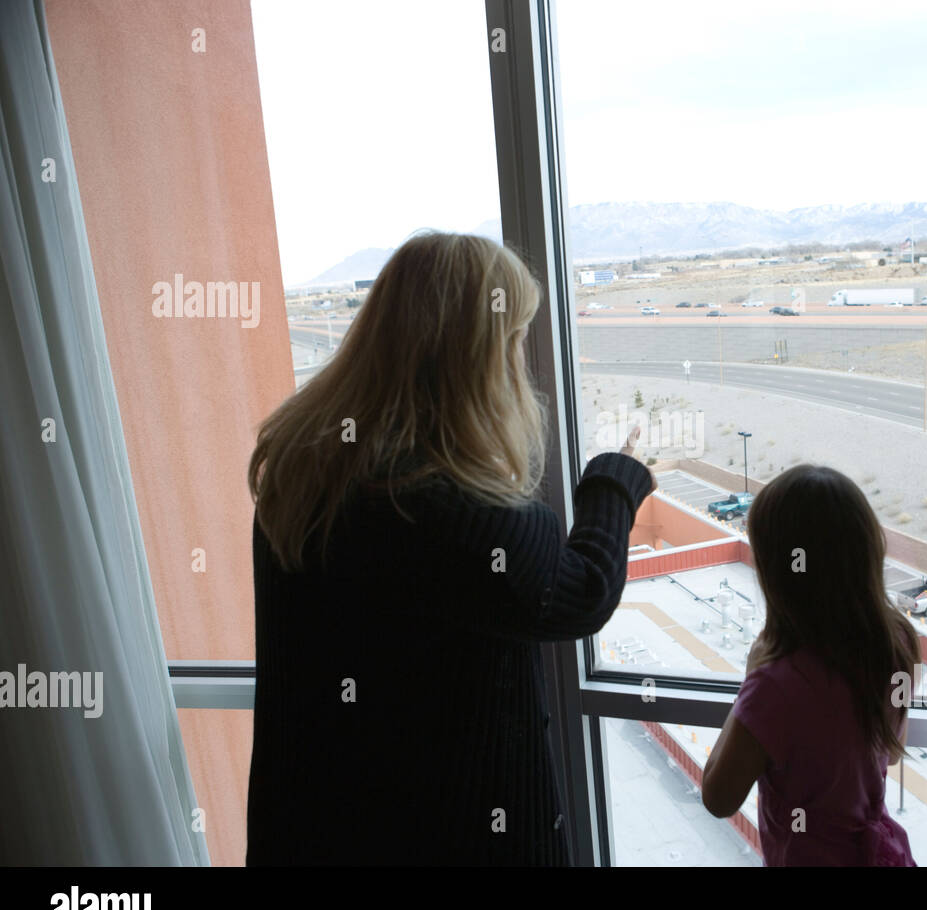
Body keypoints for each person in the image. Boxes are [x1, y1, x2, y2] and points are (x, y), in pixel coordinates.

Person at [245, 231, 653, 865]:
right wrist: (615, 477)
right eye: (514, 338)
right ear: (474, 356)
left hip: (313, 821)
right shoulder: (440, 506)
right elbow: (576, 592)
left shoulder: (308, 471)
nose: (521, 359)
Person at [701, 464, 921, 866]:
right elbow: (887, 755)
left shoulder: (776, 685)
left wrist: (750, 682)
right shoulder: (896, 643)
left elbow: (718, 798)